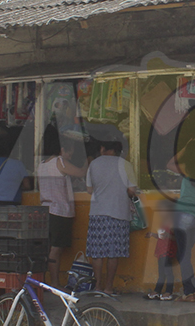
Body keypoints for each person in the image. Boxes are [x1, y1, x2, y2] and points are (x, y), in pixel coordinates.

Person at [85, 140, 136, 295]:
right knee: (113, 253)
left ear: (103, 148)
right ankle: (108, 288)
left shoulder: (94, 164)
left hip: (97, 212)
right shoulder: (125, 165)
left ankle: (97, 287)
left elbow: (89, 190)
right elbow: (132, 191)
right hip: (118, 213)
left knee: (97, 253)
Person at [36, 125, 85, 287]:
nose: (70, 155)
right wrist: (89, 160)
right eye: (69, 151)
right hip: (60, 212)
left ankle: (46, 281)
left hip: (46, 211)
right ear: (61, 149)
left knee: (49, 248)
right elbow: (81, 172)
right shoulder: (59, 162)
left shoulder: (42, 165)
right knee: (56, 249)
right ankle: (55, 283)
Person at [166, 138, 195, 303]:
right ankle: (192, 292)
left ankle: (189, 292)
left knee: (183, 255)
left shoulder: (187, 169)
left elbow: (169, 164)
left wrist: (185, 147)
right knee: (184, 255)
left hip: (184, 216)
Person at [145, 201, 178, 300]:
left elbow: (176, 238)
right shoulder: (163, 223)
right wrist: (152, 234)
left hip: (168, 251)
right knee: (161, 273)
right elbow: (161, 236)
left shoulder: (173, 223)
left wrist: (168, 235)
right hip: (161, 251)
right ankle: (157, 291)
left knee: (168, 272)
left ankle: (168, 292)